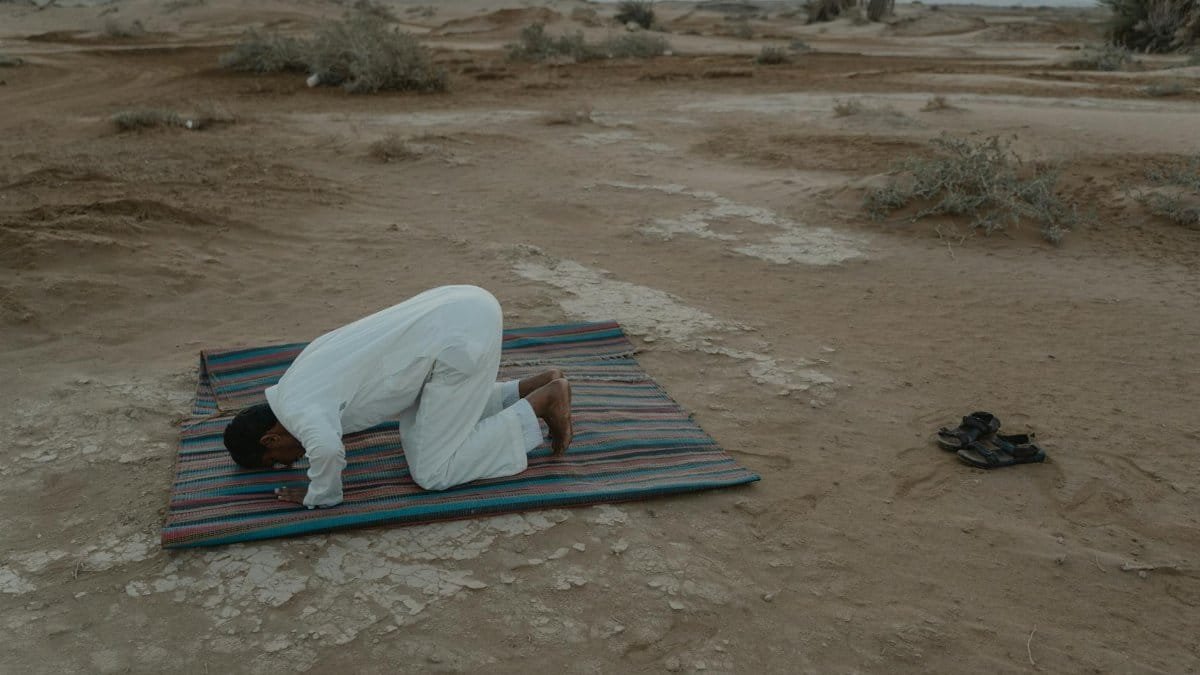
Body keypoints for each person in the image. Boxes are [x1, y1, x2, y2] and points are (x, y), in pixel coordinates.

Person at [221, 285, 573, 508]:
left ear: (270, 437)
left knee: (433, 470)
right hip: (462, 302)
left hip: (458, 339)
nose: (290, 463)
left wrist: (319, 494)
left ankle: (542, 402)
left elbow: (326, 450)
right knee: (418, 424)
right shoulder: (293, 382)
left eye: (278, 460)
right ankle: (529, 388)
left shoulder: (301, 413)